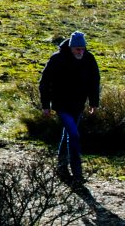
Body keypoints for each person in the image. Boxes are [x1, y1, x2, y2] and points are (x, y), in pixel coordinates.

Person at [39, 31, 101, 188]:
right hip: (61, 105)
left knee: (68, 134)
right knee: (73, 135)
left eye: (82, 49)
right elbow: (44, 82)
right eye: (77, 49)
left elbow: (95, 81)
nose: (80, 52)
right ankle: (77, 173)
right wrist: (45, 105)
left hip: (78, 105)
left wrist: (94, 103)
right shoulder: (57, 59)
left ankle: (61, 166)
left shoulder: (89, 59)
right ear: (71, 48)